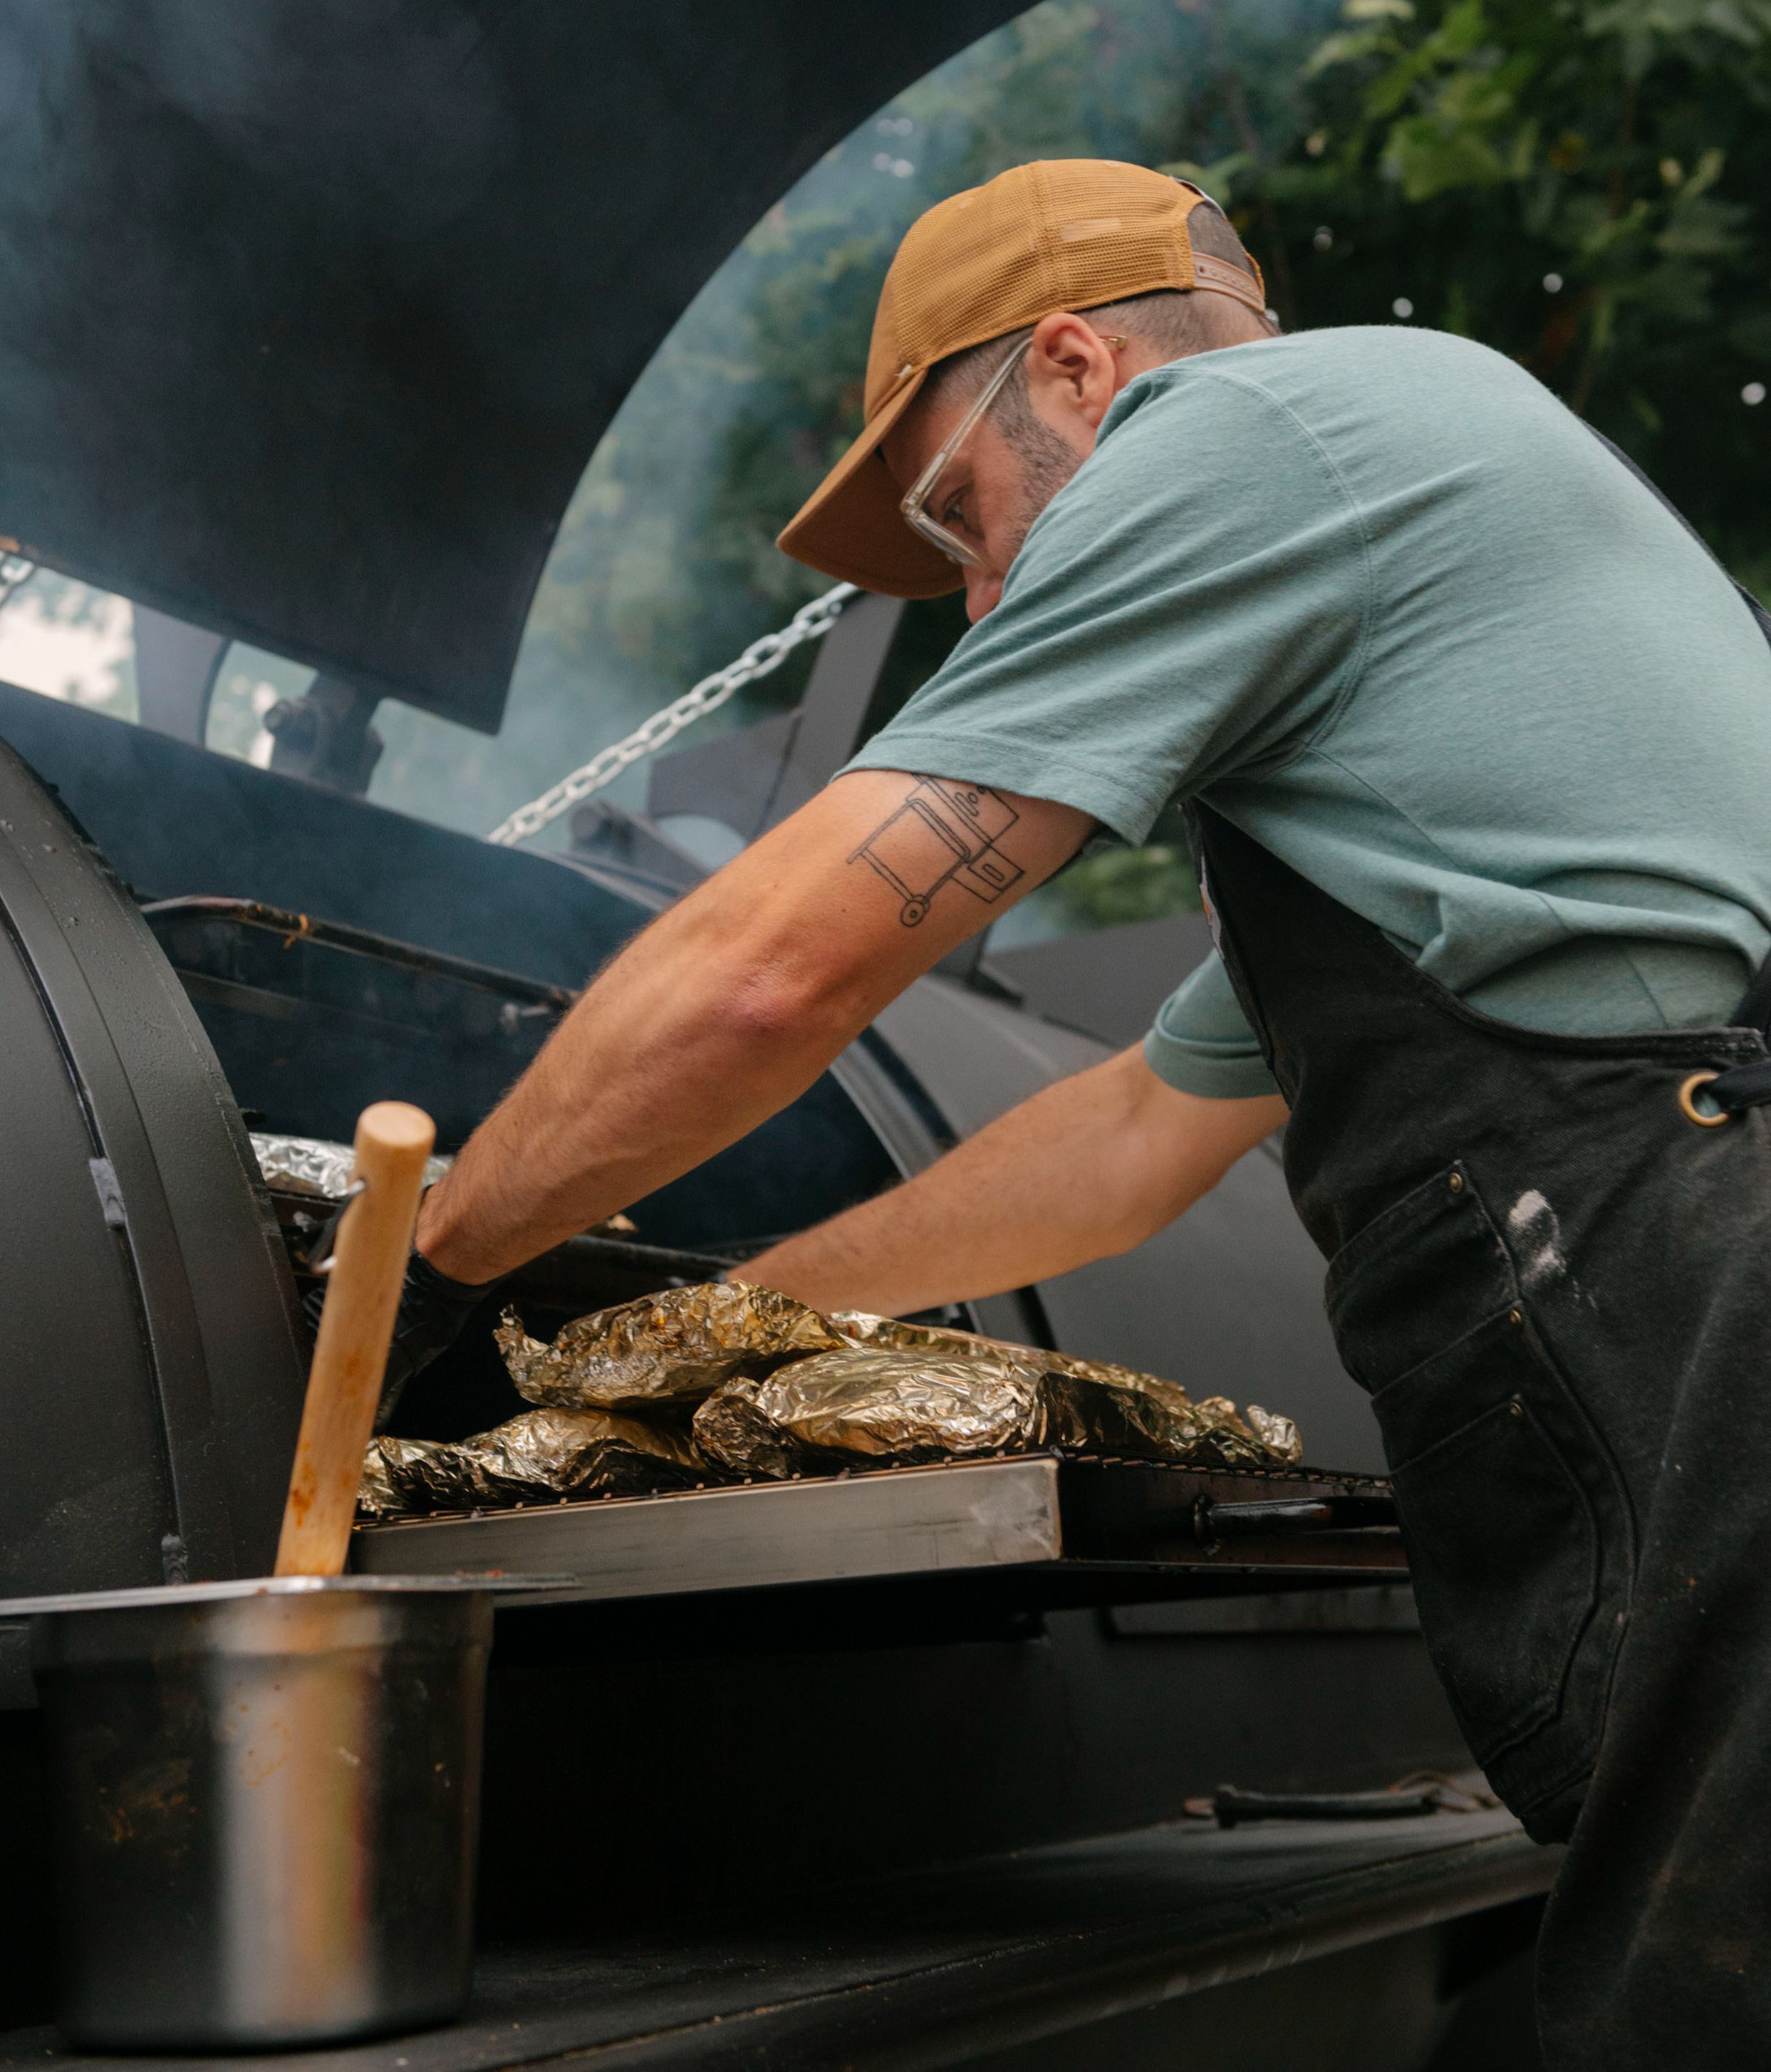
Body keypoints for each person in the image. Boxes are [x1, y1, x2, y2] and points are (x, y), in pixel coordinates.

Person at [373, 160, 1771, 2065]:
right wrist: (732, 1314)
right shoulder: (1425, 629)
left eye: (961, 509)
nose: (983, 590)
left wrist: (436, 1264)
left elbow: (783, 970)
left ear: (1078, 369)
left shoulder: (1250, 432)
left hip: (1688, 1288)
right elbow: (1130, 1137)